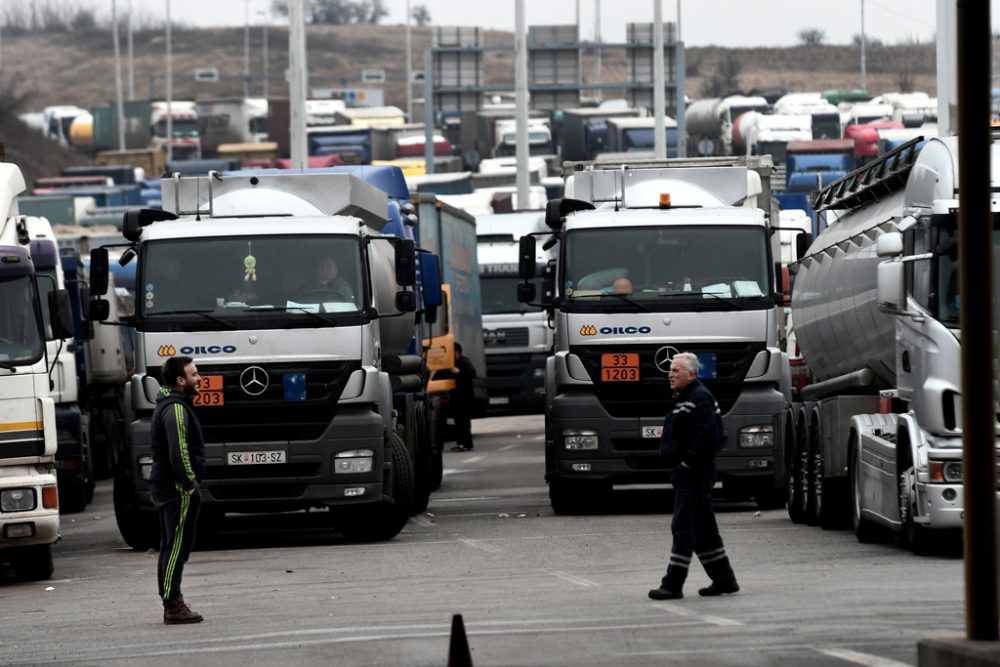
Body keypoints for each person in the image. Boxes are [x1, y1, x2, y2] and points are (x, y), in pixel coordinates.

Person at [649, 351, 739, 601]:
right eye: (670, 370)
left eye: (676, 370)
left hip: (695, 473)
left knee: (683, 527)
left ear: (691, 374)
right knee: (703, 530)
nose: (670, 374)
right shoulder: (685, 398)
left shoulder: (699, 397)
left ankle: (672, 585)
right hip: (689, 472)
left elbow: (708, 435)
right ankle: (724, 579)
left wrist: (688, 462)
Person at [149, 356, 207, 624]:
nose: (199, 379)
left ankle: (171, 601)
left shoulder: (170, 404)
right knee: (177, 547)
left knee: (171, 546)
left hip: (166, 485)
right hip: (176, 487)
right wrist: (189, 483)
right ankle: (173, 604)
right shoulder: (175, 409)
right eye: (194, 375)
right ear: (180, 381)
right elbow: (179, 451)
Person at [449, 342, 477, 452]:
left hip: (465, 398)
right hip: (456, 398)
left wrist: (458, 372)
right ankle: (461, 443)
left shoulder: (464, 362)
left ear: (457, 351)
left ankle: (466, 444)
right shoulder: (451, 363)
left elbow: (472, 374)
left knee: (464, 422)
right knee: (458, 422)